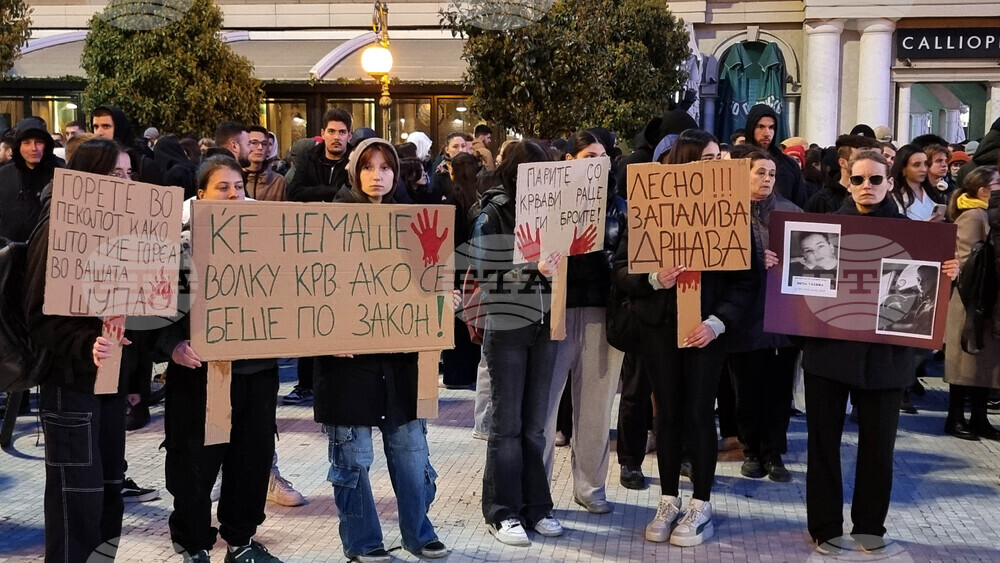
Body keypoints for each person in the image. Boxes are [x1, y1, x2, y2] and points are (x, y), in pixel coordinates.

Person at [800, 148, 958, 555]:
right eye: (858, 179)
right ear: (846, 181)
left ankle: (870, 528)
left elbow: (926, 303)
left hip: (886, 358)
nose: (866, 187)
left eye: (875, 179)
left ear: (890, 182)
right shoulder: (821, 232)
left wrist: (948, 278)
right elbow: (800, 292)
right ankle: (824, 527)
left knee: (878, 448)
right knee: (822, 445)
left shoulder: (919, 237)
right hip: (828, 352)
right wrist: (777, 262)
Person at [613, 129, 759, 547]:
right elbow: (622, 270)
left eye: (719, 158)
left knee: (698, 412)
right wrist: (654, 279)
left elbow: (748, 282)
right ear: (686, 164)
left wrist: (717, 322)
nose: (716, 166)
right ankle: (669, 497)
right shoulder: (650, 208)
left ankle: (701, 501)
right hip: (659, 327)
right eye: (708, 159)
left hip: (706, 330)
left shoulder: (734, 213)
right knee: (668, 415)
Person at [314, 137, 447, 563]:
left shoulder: (415, 220)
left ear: (396, 173)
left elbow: (430, 284)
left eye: (386, 167)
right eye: (368, 167)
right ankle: (364, 542)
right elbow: (308, 290)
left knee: (411, 455)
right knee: (353, 460)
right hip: (346, 365)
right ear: (354, 171)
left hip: (401, 362)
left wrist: (443, 303)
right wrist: (324, 336)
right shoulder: (326, 221)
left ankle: (418, 533)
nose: (378, 175)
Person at [159, 156, 284, 563]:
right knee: (195, 466)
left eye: (238, 187)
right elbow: (155, 310)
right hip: (199, 376)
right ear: (200, 195)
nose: (233, 194)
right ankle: (194, 546)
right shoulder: (176, 247)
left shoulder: (269, 243)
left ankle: (241, 541)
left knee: (250, 463)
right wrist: (173, 346)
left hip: (256, 374)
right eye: (222, 187)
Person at [26, 137, 136, 562]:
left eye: (129, 174)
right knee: (78, 499)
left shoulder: (129, 232)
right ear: (89, 180)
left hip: (110, 384)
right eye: (114, 175)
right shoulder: (57, 227)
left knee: (110, 492)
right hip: (70, 384)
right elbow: (38, 315)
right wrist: (84, 343)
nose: (125, 184)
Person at [473, 140, 564, 547]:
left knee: (535, 426)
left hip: (545, 326)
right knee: (506, 426)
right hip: (507, 328)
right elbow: (486, 280)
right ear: (515, 174)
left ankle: (537, 507)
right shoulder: (491, 215)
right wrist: (535, 269)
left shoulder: (553, 212)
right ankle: (502, 511)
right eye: (534, 171)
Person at [541, 130, 627, 514]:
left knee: (596, 407)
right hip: (554, 313)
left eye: (602, 156)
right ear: (568, 161)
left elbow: (628, 263)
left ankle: (590, 488)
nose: (595, 161)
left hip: (603, 314)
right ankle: (536, 489)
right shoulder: (545, 200)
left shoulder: (621, 207)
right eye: (587, 155)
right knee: (543, 408)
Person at [726, 147, 801, 483]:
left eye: (771, 174)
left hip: (784, 319)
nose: (767, 179)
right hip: (744, 317)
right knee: (746, 390)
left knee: (780, 390)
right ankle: (752, 450)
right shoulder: (727, 213)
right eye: (760, 172)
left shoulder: (790, 213)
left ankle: (774, 453)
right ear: (744, 174)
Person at [943, 166, 1000, 441]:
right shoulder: (973, 215)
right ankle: (955, 418)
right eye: (997, 183)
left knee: (982, 363)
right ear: (983, 190)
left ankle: (979, 417)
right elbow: (965, 259)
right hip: (969, 299)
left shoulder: (987, 214)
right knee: (964, 363)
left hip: (984, 299)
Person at [440, 151, 480, 388]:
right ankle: (472, 370)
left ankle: (456, 375)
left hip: (453, 267)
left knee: (454, 321)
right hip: (474, 268)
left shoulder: (450, 201)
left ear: (452, 171)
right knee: (472, 320)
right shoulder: (480, 198)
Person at [0, 117, 58, 243]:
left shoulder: (60, 172)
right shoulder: (4, 174)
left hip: (47, 248)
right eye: (26, 143)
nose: (33, 148)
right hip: (10, 252)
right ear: (18, 146)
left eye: (39, 142)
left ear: (46, 145)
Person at [744, 104, 807, 207]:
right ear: (751, 128)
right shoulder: (737, 161)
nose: (767, 133)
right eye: (761, 127)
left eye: (771, 127)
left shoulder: (789, 165)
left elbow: (800, 206)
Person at [287, 108, 353, 202]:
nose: (336, 137)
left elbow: (354, 194)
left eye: (342, 132)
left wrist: (313, 192)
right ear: (323, 133)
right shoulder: (309, 158)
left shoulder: (356, 161)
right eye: (331, 131)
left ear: (349, 136)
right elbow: (293, 193)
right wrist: (332, 192)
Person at [805, 134, 882, 214]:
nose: (864, 163)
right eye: (858, 158)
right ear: (842, 163)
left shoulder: (880, 198)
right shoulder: (821, 200)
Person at [90, 105, 163, 185]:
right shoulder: (91, 159)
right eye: (96, 127)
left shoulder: (144, 165)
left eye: (106, 126)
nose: (99, 132)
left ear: (119, 128)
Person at [890, 144, 946, 221]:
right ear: (903, 169)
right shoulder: (894, 197)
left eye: (926, 164)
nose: (924, 169)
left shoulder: (933, 194)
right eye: (916, 165)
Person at [244, 125, 286, 201]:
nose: (260, 147)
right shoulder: (235, 179)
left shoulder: (278, 182)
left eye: (264, 144)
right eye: (254, 143)